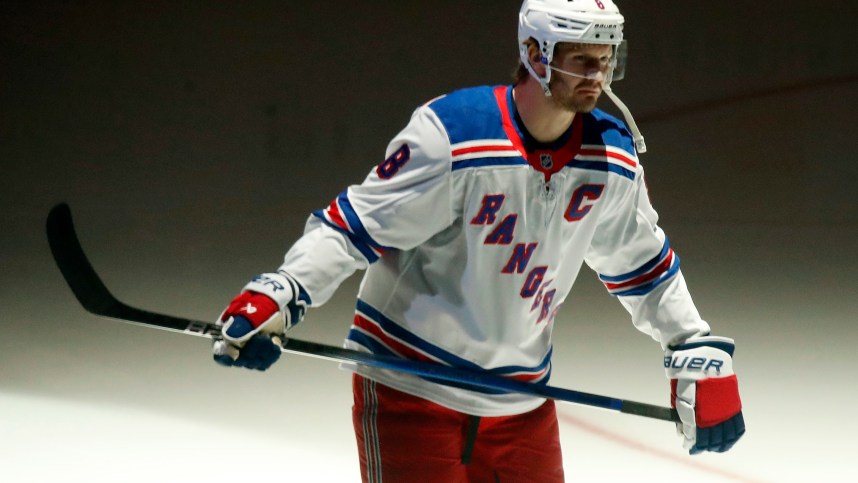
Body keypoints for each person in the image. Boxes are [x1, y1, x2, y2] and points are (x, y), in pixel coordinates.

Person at [212, 0, 745, 481]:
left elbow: (641, 262)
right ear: (535, 54)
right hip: (412, 390)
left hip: (523, 402)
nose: (599, 74)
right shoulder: (454, 134)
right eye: (582, 58)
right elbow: (356, 225)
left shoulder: (611, 155)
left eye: (606, 58)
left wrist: (691, 344)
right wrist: (283, 290)